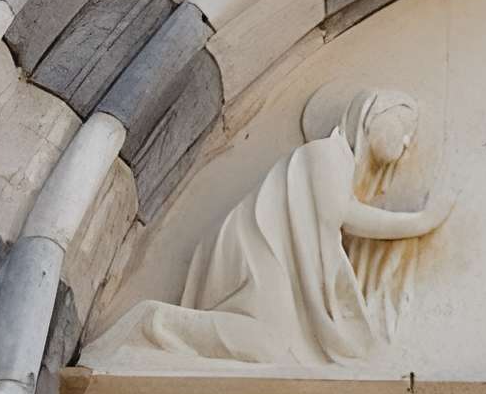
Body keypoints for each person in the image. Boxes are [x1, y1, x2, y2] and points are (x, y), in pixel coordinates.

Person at [90, 83, 451, 368]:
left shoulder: (337, 165)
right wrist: (420, 221)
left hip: (272, 264)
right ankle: (152, 323)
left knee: (268, 349)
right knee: (266, 348)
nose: (406, 141)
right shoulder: (326, 154)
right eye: (403, 126)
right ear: (371, 116)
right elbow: (346, 216)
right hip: (258, 257)